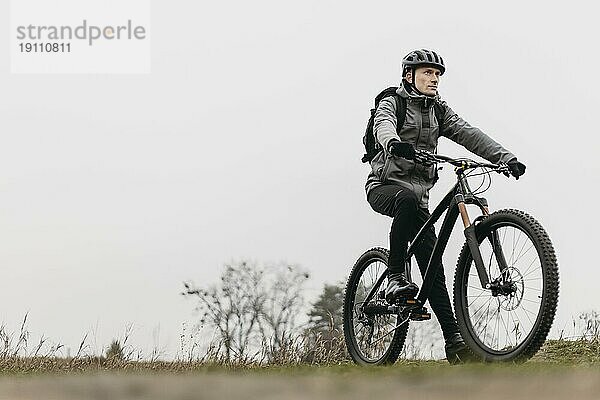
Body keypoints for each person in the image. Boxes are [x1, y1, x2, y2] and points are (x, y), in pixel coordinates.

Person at [365, 49, 526, 362]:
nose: (434, 79)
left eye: (437, 74)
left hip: (419, 198)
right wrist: (394, 143)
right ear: (409, 76)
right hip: (385, 188)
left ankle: (454, 343)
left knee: (433, 267)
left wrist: (504, 158)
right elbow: (382, 125)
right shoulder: (393, 102)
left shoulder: (437, 109)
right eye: (427, 73)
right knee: (407, 201)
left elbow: (467, 133)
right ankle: (396, 274)